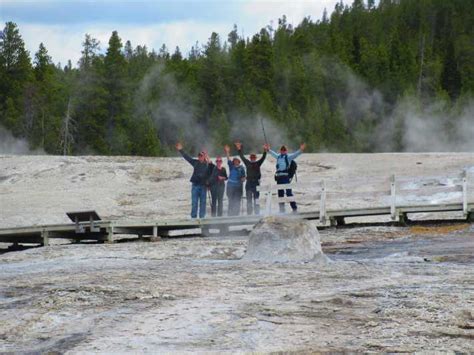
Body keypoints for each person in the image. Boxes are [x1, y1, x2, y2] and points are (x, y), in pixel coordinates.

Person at [175, 142, 211, 219]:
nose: (200, 157)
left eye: (201, 156)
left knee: (203, 203)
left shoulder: (207, 164)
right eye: (199, 156)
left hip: (203, 186)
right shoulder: (195, 162)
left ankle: (202, 217)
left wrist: (207, 156)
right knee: (194, 203)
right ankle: (193, 217)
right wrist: (181, 150)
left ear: (204, 157)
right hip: (195, 185)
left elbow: (212, 167)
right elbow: (187, 157)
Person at [269, 143, 306, 213]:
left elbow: (295, 154)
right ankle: (282, 210)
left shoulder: (288, 157)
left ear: (286, 151)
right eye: (282, 150)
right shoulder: (278, 157)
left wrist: (301, 150)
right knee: (280, 194)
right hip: (279, 177)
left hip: (285, 177)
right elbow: (272, 153)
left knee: (289, 193)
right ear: (280, 151)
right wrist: (268, 150)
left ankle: (294, 208)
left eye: (284, 150)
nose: (283, 151)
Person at [235, 141, 269, 215]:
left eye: (254, 157)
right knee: (249, 200)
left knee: (256, 199)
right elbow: (242, 157)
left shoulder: (258, 163)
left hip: (256, 183)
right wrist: (239, 149)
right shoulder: (247, 163)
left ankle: (257, 213)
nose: (253, 158)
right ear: (250, 158)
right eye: (251, 157)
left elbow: (263, 157)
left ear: (255, 158)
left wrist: (265, 150)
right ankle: (249, 214)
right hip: (249, 183)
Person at [224, 144, 246, 216]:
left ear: (239, 162)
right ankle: (230, 214)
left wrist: (243, 179)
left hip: (238, 186)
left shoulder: (242, 168)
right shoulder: (231, 166)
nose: (235, 161)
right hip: (230, 186)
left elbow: (244, 177)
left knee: (237, 201)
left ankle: (236, 214)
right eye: (235, 161)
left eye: (237, 161)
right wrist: (227, 152)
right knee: (231, 200)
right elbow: (228, 159)